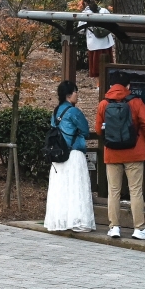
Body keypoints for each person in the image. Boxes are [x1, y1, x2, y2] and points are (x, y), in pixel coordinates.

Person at [95, 82, 145, 240]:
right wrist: (143, 140)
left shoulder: (103, 104)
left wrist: (110, 139)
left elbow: (97, 129)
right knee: (135, 191)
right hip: (134, 152)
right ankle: (139, 228)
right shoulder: (136, 102)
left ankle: (114, 227)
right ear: (128, 86)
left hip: (112, 153)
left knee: (113, 191)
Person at [44, 80, 95, 233]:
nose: (77, 94)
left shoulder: (56, 112)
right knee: (76, 188)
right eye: (75, 91)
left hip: (59, 155)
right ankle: (78, 220)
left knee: (61, 189)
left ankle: (60, 220)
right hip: (73, 154)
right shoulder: (74, 112)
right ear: (69, 95)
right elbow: (85, 130)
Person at [78, 0, 114, 77]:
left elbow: (80, 29)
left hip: (94, 44)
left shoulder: (85, 14)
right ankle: (108, 83)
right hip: (106, 43)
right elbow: (112, 23)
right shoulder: (104, 10)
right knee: (108, 66)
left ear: (84, 3)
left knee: (96, 68)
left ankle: (99, 86)